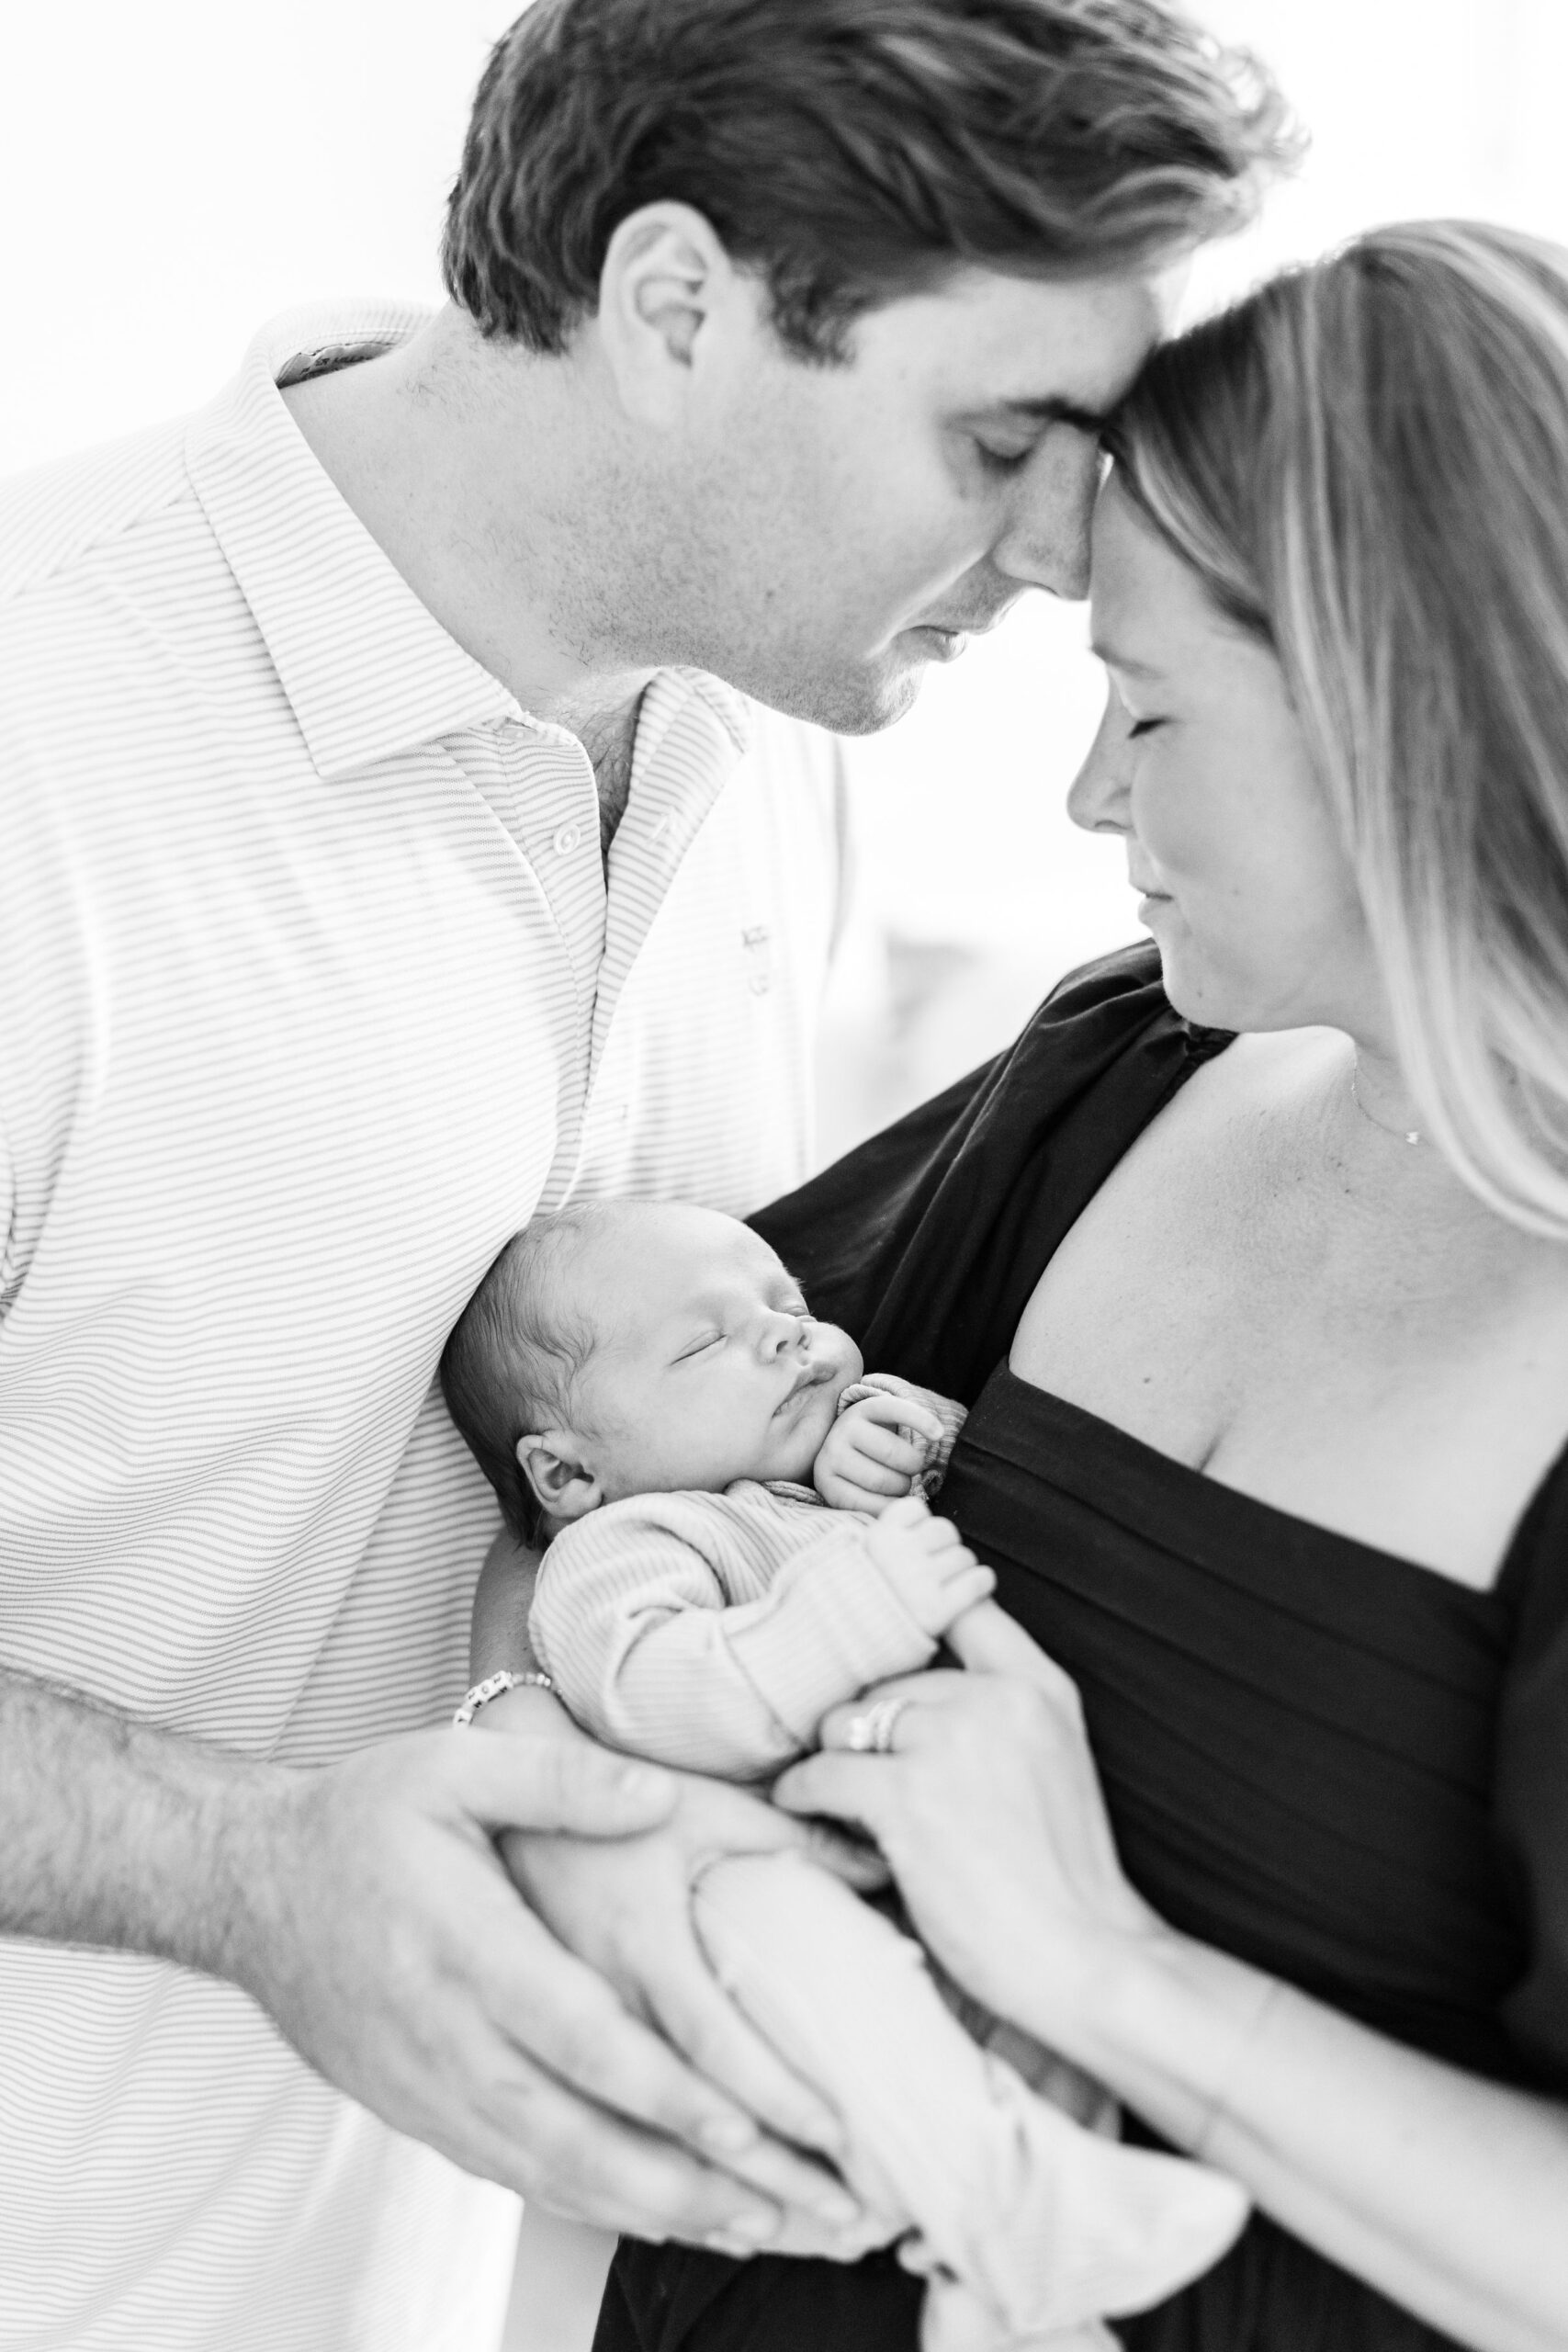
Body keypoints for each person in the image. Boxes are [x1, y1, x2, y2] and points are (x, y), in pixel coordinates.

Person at [0, 0, 1288, 2342]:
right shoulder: (36, 731)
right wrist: (236, 1865)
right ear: (674, 301)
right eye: (1000, 435)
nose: (1059, 541)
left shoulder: (754, 722)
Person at [589, 220, 1568, 2352]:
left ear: (1398, 717)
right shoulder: (1110, 1076)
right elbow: (608, 1424)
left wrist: (1093, 1959)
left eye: (1144, 709)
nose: (1085, 793)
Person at [441, 1194, 1250, 2350]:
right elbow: (671, 1695)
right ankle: (1007, 2209)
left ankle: (1003, 2279)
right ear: (566, 1471)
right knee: (792, 1942)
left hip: (907, 1869)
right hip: (749, 1899)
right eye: (705, 1340)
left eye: (790, 1305)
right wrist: (863, 1601)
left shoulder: (811, 1481)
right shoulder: (619, 1551)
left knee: (1020, 2029)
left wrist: (910, 1437)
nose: (781, 1334)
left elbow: (962, 1498)